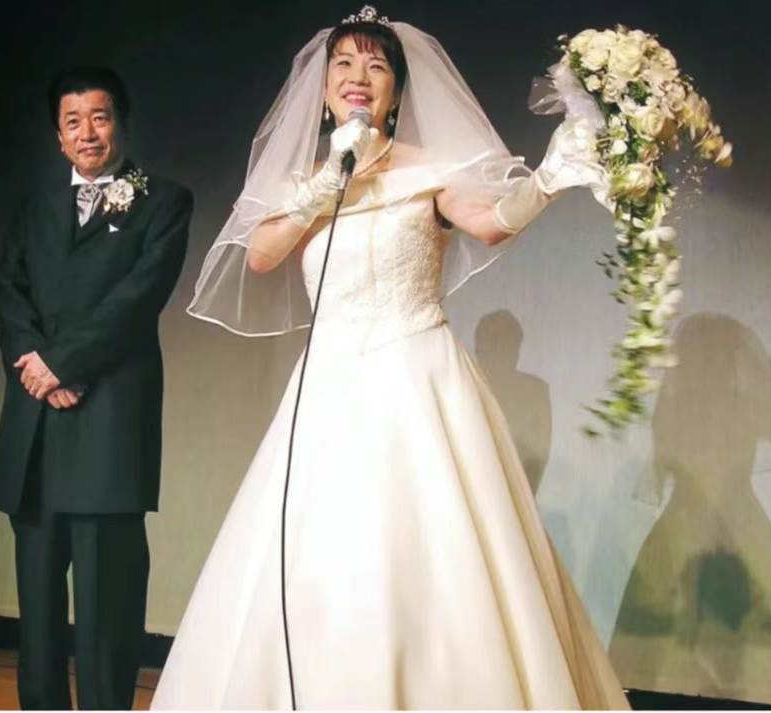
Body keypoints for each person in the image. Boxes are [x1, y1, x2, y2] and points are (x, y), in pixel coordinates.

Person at [153, 7, 628, 709]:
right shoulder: (310, 178)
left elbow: (490, 225)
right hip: (329, 388)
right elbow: (260, 256)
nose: (358, 77)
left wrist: (552, 176)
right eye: (344, 64)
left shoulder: (428, 171)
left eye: (376, 67)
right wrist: (325, 185)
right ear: (323, 90)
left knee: (435, 554)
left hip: (417, 377)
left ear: (396, 92)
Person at [0, 65, 193, 709]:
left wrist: (62, 365)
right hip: (37, 432)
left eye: (99, 118)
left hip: (108, 429)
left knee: (107, 621)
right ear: (58, 135)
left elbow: (137, 299)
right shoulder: (36, 207)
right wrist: (37, 369)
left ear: (120, 123)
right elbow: (8, 290)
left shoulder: (163, 200)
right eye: (72, 122)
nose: (87, 133)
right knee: (39, 620)